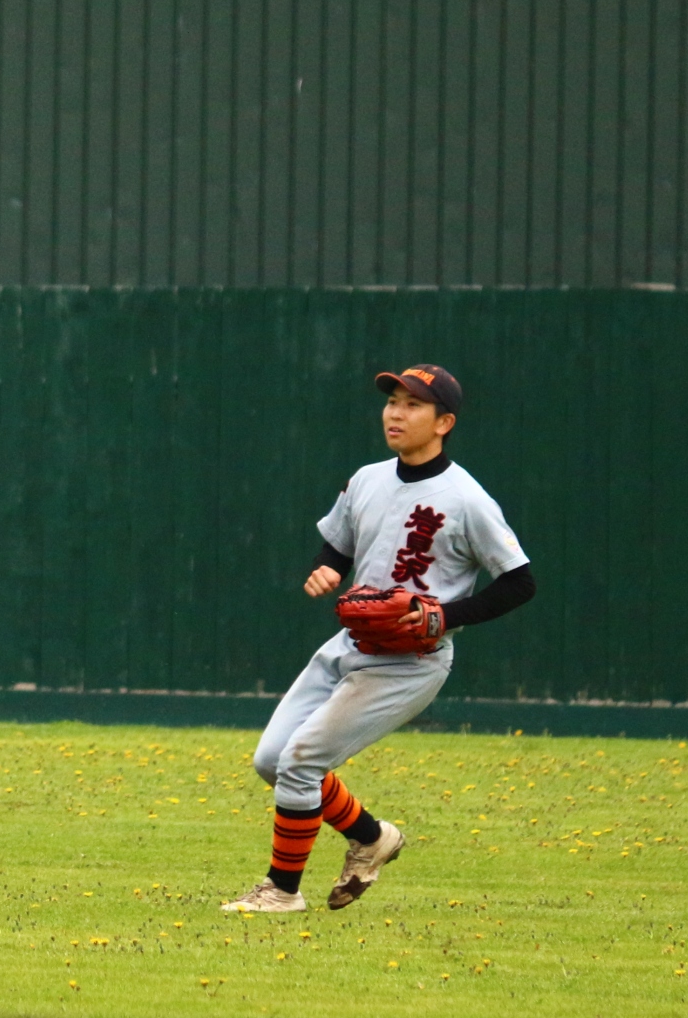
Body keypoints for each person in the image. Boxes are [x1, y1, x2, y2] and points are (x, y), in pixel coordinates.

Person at [221, 364, 536, 913]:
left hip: (410, 663)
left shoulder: (467, 500)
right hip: (349, 646)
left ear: (444, 423)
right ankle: (371, 837)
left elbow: (519, 582)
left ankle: (282, 891)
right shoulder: (367, 478)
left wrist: (445, 615)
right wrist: (327, 567)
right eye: (392, 401)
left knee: (300, 763)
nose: (396, 413)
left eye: (413, 405)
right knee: (272, 761)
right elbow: (337, 543)